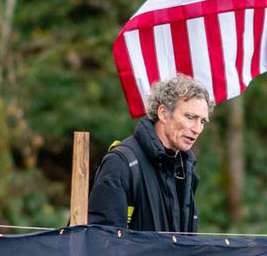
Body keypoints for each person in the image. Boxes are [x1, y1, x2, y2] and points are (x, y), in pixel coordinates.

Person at [88, 74, 213, 232]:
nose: (197, 129)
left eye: (202, 121)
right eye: (190, 117)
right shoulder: (121, 163)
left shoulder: (185, 168)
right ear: (163, 113)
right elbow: (103, 244)